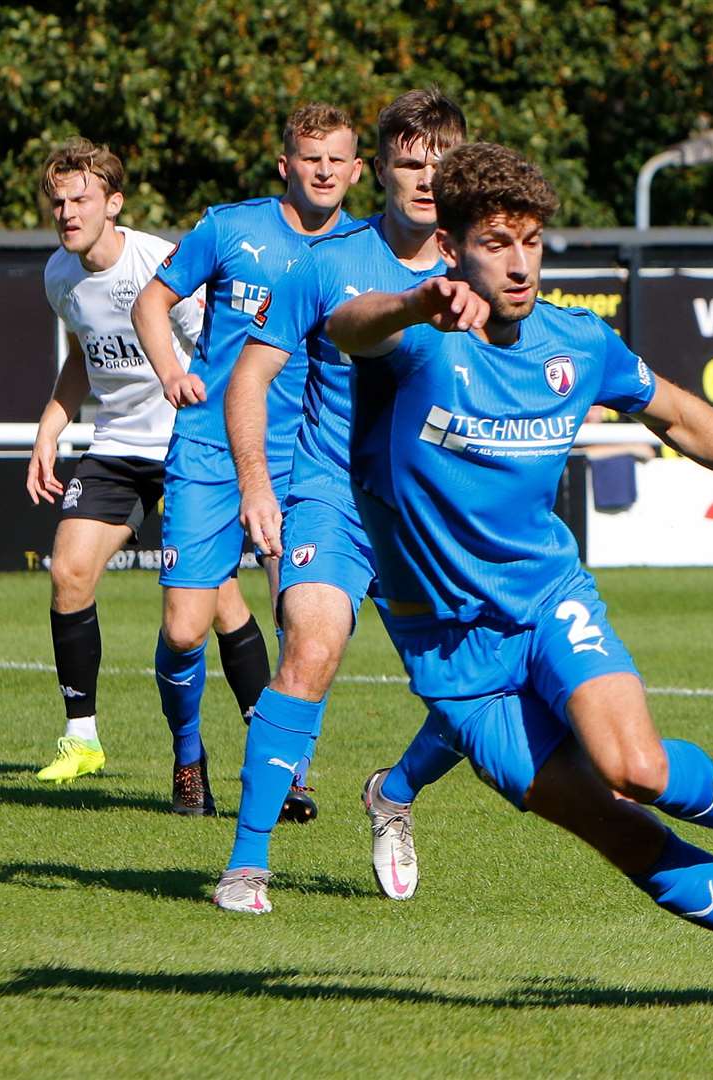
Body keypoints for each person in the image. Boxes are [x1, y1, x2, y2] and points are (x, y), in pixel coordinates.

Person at [325, 142, 713, 965]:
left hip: (549, 598)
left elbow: (679, 415)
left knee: (638, 768)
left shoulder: (577, 343)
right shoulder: (413, 340)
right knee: (623, 836)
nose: (519, 265)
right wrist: (413, 305)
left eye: (532, 242)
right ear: (451, 249)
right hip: (449, 654)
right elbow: (344, 326)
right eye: (495, 244)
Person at [212, 89, 471, 911]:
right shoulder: (328, 263)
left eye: (439, 164)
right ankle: (247, 865)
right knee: (311, 647)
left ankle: (392, 794)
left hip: (434, 518)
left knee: (479, 698)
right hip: (332, 496)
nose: (425, 180)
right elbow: (249, 377)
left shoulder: (485, 266)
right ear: (381, 171)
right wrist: (258, 483)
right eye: (408, 163)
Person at [132, 103, 363, 815]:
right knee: (182, 629)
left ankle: (285, 770)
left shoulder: (367, 248)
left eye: (337, 159)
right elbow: (151, 303)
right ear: (285, 164)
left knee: (306, 623)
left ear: (358, 170)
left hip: (307, 460)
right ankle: (187, 753)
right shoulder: (230, 227)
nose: (323, 171)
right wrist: (171, 370)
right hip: (208, 449)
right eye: (310, 157)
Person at [28, 137, 235, 782]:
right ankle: (82, 738)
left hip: (187, 444)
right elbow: (82, 359)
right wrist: (49, 429)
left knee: (219, 604)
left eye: (80, 199)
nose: (66, 213)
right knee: (68, 571)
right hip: (116, 447)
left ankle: (279, 757)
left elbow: (215, 352)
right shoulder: (59, 276)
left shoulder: (159, 263)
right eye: (57, 201)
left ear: (114, 203)